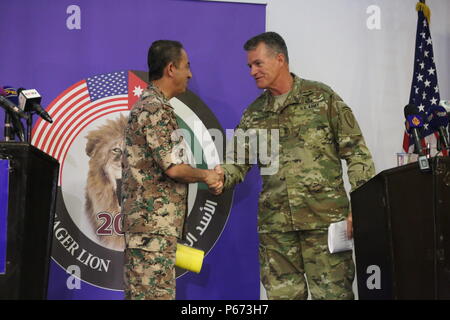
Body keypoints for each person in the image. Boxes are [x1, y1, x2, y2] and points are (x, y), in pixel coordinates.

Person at [215, 32, 375, 300]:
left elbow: (357, 153)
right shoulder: (253, 114)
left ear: (280, 59)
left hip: (325, 224)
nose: (252, 72)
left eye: (258, 64)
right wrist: (218, 175)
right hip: (277, 231)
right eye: (249, 66)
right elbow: (236, 163)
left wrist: (361, 207)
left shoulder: (323, 99)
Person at [121, 40, 222, 300]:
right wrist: (208, 175)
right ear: (170, 68)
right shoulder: (155, 109)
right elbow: (175, 169)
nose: (190, 74)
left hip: (151, 231)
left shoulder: (152, 106)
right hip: (152, 232)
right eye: (186, 66)